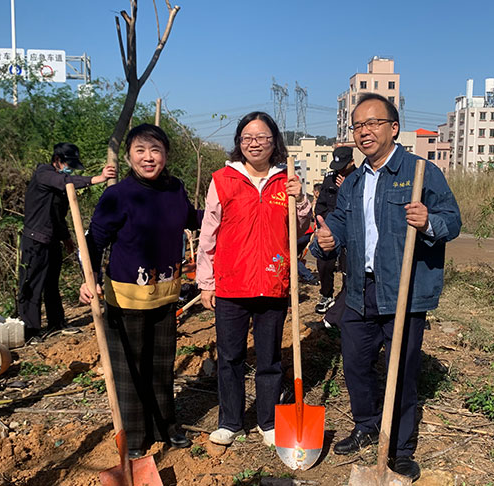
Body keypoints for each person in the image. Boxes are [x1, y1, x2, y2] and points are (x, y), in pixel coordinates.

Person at [311, 93, 461, 482]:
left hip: (404, 290)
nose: (365, 132)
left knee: (403, 372)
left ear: (393, 128)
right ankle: (365, 423)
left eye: (373, 123)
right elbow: (339, 223)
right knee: (356, 364)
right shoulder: (354, 181)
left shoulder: (420, 172)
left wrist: (429, 221)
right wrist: (327, 240)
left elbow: (452, 220)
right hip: (360, 288)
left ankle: (400, 448)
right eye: (358, 125)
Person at [79, 124, 200, 458]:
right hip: (127, 297)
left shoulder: (174, 188)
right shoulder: (118, 195)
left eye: (156, 150)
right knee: (131, 369)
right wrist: (87, 278)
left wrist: (228, 212)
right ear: (130, 156)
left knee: (162, 365)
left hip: (165, 293)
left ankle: (166, 426)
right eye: (141, 151)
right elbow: (95, 240)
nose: (149, 158)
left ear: (166, 155)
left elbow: (191, 217)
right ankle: (135, 437)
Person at [197, 112, 311, 447]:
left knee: (269, 358)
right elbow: (209, 233)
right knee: (230, 357)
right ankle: (230, 421)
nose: (254, 143)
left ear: (274, 141)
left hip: (273, 283)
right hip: (232, 283)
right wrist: (206, 281)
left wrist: (301, 199)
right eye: (247, 137)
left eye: (262, 137)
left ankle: (267, 421)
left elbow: (301, 228)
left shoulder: (286, 180)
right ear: (239, 143)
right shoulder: (223, 179)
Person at [18, 143, 115, 344]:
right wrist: (97, 179)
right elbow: (65, 181)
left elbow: (57, 215)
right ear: (57, 161)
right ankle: (31, 331)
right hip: (35, 240)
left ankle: (57, 322)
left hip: (51, 239)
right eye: (67, 164)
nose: (69, 168)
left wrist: (66, 238)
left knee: (52, 284)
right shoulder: (44, 174)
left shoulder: (59, 186)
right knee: (32, 285)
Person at [314, 146, 356, 315]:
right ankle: (326, 295)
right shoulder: (329, 178)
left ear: (352, 162)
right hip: (329, 228)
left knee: (349, 268)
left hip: (350, 231)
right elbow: (321, 204)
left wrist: (347, 187)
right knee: (324, 264)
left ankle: (348, 299)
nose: (339, 171)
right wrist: (322, 225)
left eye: (343, 167)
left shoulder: (359, 177)